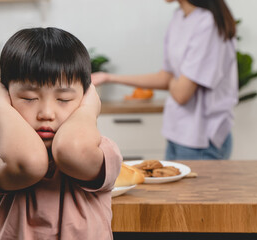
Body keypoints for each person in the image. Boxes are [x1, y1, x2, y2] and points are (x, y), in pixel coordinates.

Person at [0, 27, 122, 239]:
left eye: (64, 99)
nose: (46, 114)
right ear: (5, 95)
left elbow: (72, 150)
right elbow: (29, 162)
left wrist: (88, 110)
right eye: (29, 98)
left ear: (86, 97)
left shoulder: (100, 150)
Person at [92, 0, 238, 160]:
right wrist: (108, 77)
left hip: (201, 139)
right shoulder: (178, 17)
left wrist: (176, 81)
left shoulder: (207, 23)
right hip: (177, 133)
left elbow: (182, 94)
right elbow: (166, 76)